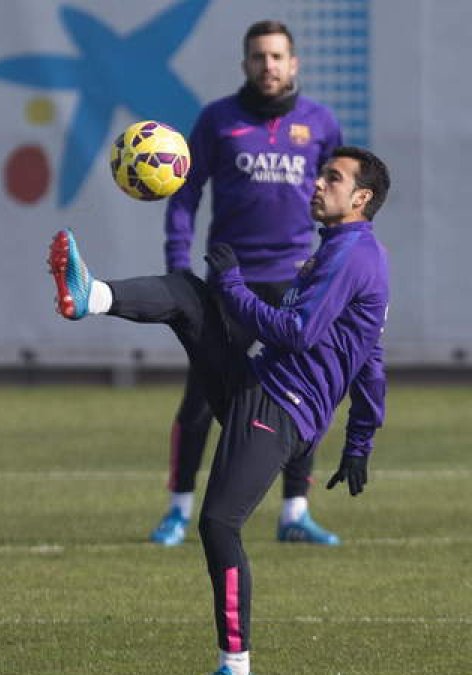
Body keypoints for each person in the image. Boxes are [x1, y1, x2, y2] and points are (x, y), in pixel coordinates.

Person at [49, 146, 388, 675]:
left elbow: (298, 335)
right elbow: (370, 361)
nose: (318, 183)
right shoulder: (344, 250)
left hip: (280, 407)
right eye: (322, 174)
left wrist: (231, 285)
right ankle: (92, 295)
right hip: (261, 386)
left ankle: (236, 663)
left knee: (218, 524)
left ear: (361, 198)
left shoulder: (352, 256)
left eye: (334, 177)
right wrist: (360, 443)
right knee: (187, 295)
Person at [153, 20, 345, 547]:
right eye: (259, 57)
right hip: (230, 283)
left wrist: (332, 265)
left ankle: (294, 513)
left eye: (278, 56)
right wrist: (178, 262)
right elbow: (185, 194)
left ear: (294, 63)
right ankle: (177, 511)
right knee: (200, 400)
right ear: (245, 64)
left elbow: (340, 202)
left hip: (295, 284)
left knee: (302, 400)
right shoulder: (218, 120)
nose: (269, 65)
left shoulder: (321, 124)